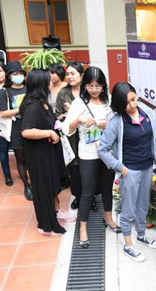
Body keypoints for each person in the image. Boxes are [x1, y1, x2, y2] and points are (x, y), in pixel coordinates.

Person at [98, 82, 156, 262]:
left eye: (134, 99)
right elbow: (102, 149)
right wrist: (120, 167)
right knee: (128, 210)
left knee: (143, 205)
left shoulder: (146, 113)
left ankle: (141, 235)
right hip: (130, 171)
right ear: (120, 105)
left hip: (147, 168)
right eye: (128, 103)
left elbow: (153, 140)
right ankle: (128, 245)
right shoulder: (117, 122)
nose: (133, 104)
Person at [62, 66, 120, 248]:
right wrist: (78, 120)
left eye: (98, 86)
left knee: (107, 187)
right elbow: (66, 129)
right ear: (84, 86)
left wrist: (107, 126)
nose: (94, 90)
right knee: (87, 192)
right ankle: (83, 227)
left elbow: (118, 124)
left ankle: (108, 217)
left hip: (107, 152)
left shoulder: (109, 101)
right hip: (87, 154)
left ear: (103, 86)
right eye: (90, 86)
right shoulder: (79, 103)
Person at [20, 69, 67, 235]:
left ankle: (55, 213)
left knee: (51, 186)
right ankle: (46, 225)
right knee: (43, 189)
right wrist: (48, 133)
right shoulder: (32, 106)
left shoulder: (41, 102)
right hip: (38, 155)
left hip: (48, 152)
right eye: (48, 80)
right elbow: (26, 131)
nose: (51, 82)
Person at [0, 61, 32, 200]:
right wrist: (21, 109)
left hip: (31, 124)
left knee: (33, 156)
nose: (18, 76)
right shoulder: (5, 92)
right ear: (9, 76)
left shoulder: (29, 88)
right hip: (16, 127)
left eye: (20, 73)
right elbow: (3, 113)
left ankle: (36, 182)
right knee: (20, 157)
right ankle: (27, 185)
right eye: (14, 74)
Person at [55, 62, 85, 210]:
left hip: (87, 135)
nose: (70, 77)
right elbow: (57, 117)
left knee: (88, 168)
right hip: (71, 137)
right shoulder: (63, 93)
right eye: (68, 74)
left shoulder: (88, 90)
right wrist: (69, 114)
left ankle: (90, 198)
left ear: (81, 75)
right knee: (75, 169)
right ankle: (78, 196)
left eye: (73, 73)